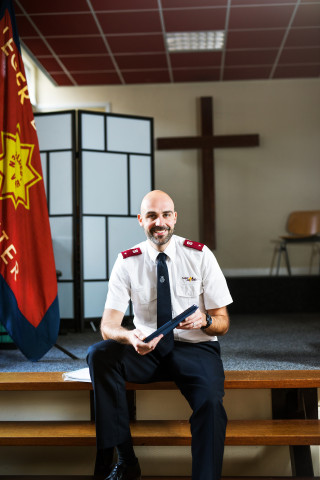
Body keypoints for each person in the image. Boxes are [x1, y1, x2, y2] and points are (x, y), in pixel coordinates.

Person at [87, 190, 232, 480]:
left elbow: (223, 323)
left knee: (211, 404)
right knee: (99, 354)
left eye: (166, 214)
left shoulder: (200, 255)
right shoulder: (127, 261)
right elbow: (108, 325)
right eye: (152, 215)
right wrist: (131, 338)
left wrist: (204, 320)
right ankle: (126, 460)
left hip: (195, 349)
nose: (159, 222)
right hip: (147, 350)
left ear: (175, 218)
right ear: (141, 220)